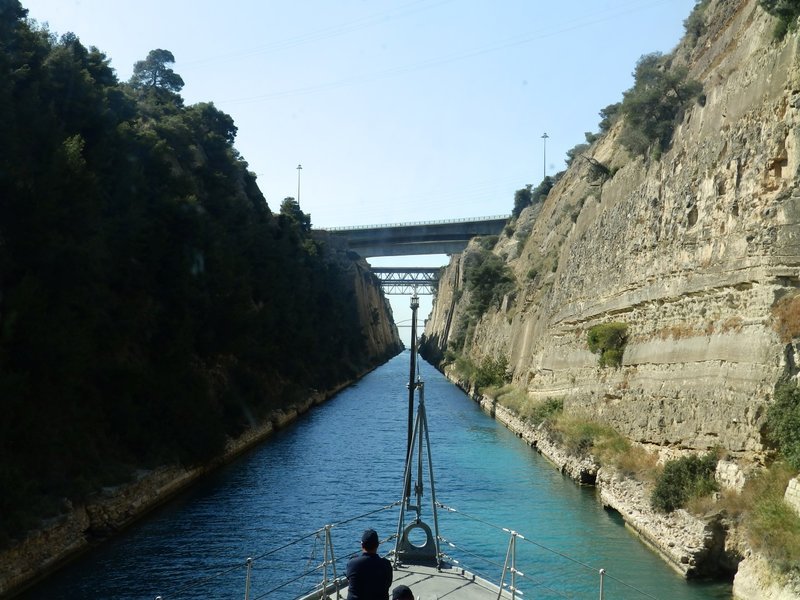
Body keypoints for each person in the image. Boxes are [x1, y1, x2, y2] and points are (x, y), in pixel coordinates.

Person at [346, 528, 393, 600]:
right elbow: (388, 584)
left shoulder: (352, 563)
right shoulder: (386, 564)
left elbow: (350, 580)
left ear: (362, 545)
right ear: (377, 545)